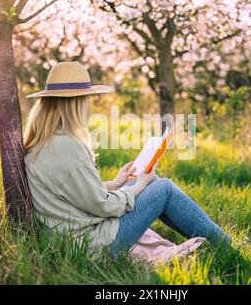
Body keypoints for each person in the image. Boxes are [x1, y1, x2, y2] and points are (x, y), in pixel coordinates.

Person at [24, 62, 232, 256]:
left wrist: (115, 184)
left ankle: (215, 242)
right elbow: (102, 206)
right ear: (75, 103)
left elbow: (70, 191)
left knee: (147, 184)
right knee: (163, 189)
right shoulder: (66, 147)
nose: (87, 106)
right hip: (93, 245)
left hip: (73, 236)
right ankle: (229, 247)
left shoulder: (44, 143)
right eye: (85, 99)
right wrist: (139, 186)